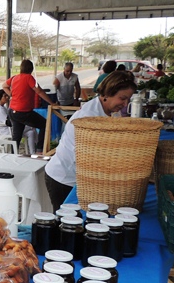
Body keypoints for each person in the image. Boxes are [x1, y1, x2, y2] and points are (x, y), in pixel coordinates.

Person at [43, 71, 138, 210]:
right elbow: (87, 158)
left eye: (128, 99)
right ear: (107, 93)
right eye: (122, 98)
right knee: (67, 224)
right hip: (63, 179)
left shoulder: (106, 111)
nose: (125, 104)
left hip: (76, 177)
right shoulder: (89, 118)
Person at [2, 60, 55, 154]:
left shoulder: (14, 78)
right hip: (24, 112)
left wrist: (11, 94)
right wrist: (52, 102)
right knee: (44, 124)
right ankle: (39, 149)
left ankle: (12, 156)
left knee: (16, 137)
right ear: (31, 69)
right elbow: (39, 91)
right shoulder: (29, 78)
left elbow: (4, 86)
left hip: (13, 111)